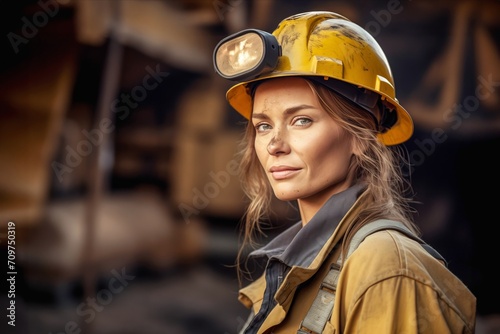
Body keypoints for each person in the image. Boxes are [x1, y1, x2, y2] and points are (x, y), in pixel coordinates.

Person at [213, 11, 476, 334]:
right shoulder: (302, 269)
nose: (274, 145)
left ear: (360, 137)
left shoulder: (386, 268)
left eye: (302, 120)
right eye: (263, 126)